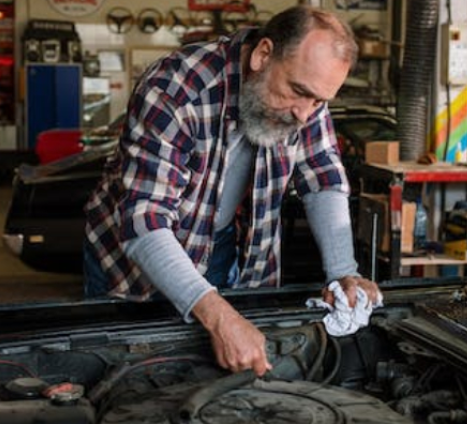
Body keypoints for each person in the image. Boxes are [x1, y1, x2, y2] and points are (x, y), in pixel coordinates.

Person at [84, 6, 381, 377]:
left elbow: (323, 176)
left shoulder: (305, 99)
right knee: (134, 378)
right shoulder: (176, 88)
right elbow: (145, 219)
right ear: (262, 55)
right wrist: (219, 316)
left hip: (226, 245)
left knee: (220, 374)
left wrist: (342, 272)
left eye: (319, 101)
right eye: (299, 92)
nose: (305, 115)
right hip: (136, 264)